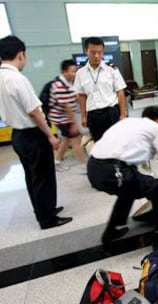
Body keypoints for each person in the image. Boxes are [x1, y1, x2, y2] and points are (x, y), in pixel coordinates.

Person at [87, 105, 158, 249]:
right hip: (114, 171)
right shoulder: (157, 129)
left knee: (128, 191)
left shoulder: (128, 122)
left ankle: (111, 232)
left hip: (94, 168)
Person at [0, 35, 72, 229]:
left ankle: (42, 210)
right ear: (21, 54)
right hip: (33, 135)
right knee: (44, 177)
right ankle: (48, 219)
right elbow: (34, 111)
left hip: (17, 135)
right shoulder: (17, 78)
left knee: (32, 177)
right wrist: (49, 134)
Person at [73, 37, 127, 142]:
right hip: (93, 115)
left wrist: (123, 114)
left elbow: (120, 92)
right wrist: (83, 116)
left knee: (116, 142)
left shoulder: (111, 69)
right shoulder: (80, 73)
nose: (97, 56)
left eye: (100, 52)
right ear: (86, 51)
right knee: (99, 145)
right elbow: (82, 96)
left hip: (111, 113)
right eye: (93, 52)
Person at [48, 59, 86, 172]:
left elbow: (75, 97)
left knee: (66, 140)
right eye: (72, 71)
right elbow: (66, 106)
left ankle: (57, 162)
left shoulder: (68, 82)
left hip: (65, 118)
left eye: (75, 71)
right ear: (64, 71)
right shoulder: (59, 85)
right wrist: (74, 123)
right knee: (76, 140)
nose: (75, 74)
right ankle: (84, 167)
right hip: (63, 119)